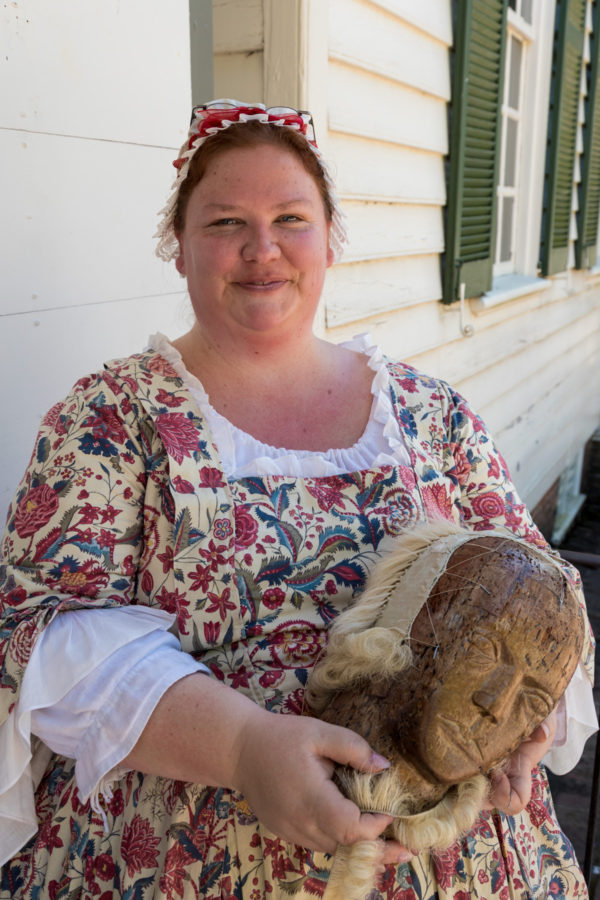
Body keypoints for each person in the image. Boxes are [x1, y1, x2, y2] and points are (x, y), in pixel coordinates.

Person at [0, 100, 596, 900]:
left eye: (291, 217)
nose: (261, 249)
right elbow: (49, 638)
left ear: (330, 239)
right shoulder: (114, 418)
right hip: (183, 861)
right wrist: (245, 747)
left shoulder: (431, 414)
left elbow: (545, 596)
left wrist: (534, 720)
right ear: (177, 246)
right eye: (224, 223)